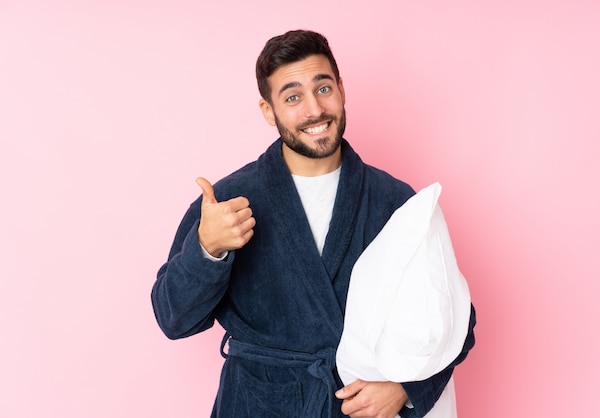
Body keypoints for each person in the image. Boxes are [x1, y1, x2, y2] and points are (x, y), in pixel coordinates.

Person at [151, 29, 476, 418]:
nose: (314, 110)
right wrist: (208, 250)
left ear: (340, 89)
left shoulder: (393, 200)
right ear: (268, 110)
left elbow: (455, 319)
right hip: (256, 404)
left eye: (323, 89)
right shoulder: (229, 202)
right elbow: (173, 319)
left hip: (352, 407)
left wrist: (407, 389)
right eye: (292, 97)